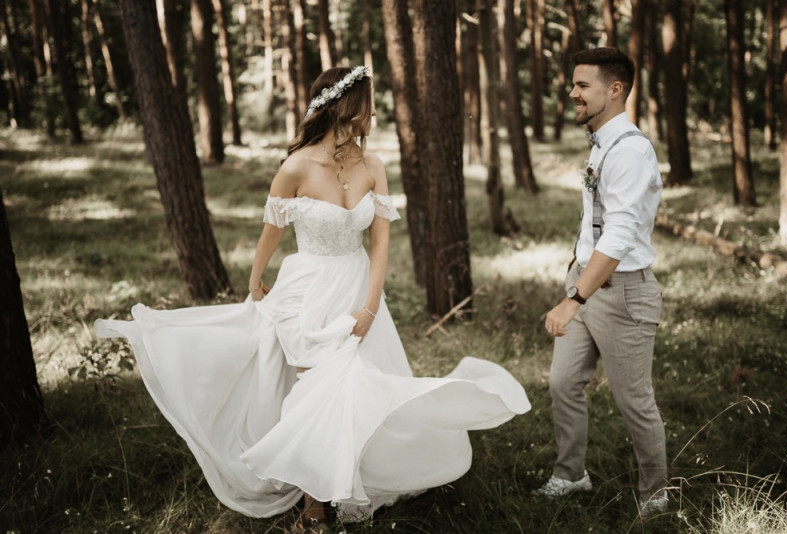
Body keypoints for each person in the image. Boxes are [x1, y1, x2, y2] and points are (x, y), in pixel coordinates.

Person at [95, 66, 530, 534]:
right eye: (368, 103)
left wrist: (369, 305)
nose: (375, 112)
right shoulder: (296, 167)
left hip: (359, 285)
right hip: (309, 289)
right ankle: (315, 506)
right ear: (344, 107)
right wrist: (256, 281)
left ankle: (352, 477)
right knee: (317, 391)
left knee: (359, 388)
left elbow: (381, 243)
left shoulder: (373, 166)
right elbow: (273, 230)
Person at [536, 48, 668, 517]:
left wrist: (574, 298)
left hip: (622, 291)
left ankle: (655, 497)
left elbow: (620, 233)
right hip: (587, 279)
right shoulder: (601, 142)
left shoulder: (630, 150)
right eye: (573, 84)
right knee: (563, 383)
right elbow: (596, 218)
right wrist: (576, 271)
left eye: (582, 85)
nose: (572, 93)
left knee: (635, 402)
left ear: (615, 90)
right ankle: (571, 474)